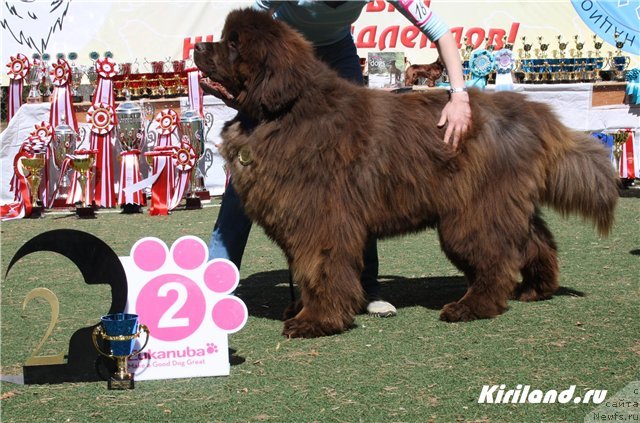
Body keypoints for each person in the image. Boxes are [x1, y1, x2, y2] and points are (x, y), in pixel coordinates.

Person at [208, 0, 472, 317]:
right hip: (284, 60)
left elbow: (440, 32)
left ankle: (365, 287)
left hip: (336, 52)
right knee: (248, 166)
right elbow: (250, 26)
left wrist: (459, 94)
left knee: (358, 172)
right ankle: (214, 284)